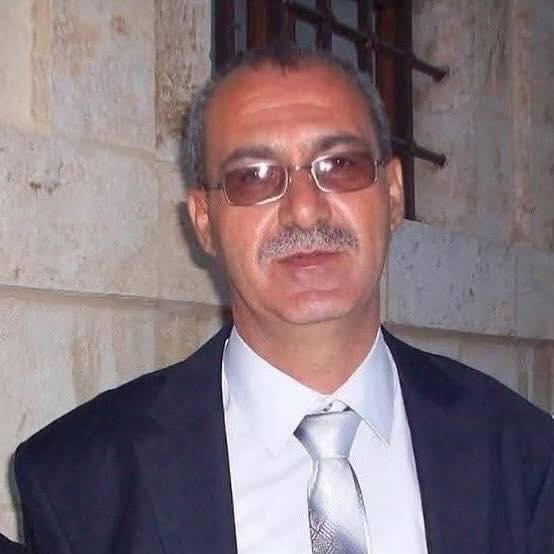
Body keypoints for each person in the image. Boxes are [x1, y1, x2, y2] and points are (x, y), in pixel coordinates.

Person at [14, 45, 553, 554]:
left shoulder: (525, 455)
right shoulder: (79, 481)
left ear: (392, 194)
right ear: (204, 221)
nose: (305, 210)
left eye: (339, 165)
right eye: (253, 177)